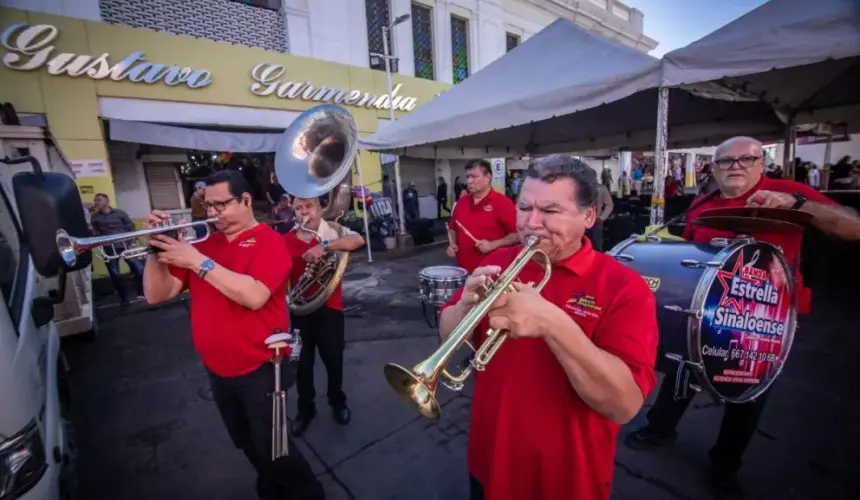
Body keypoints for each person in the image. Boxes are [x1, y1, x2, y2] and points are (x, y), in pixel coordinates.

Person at [626, 136, 860, 496]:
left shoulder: (787, 190)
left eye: (745, 159)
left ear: (761, 164)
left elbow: (853, 226)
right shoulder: (704, 202)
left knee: (748, 392)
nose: (735, 166)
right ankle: (660, 427)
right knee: (681, 370)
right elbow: (689, 251)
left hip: (760, 317)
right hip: (703, 309)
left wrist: (798, 204)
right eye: (725, 161)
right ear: (714, 169)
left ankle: (725, 464)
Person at [440, 154, 658, 500]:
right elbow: (448, 335)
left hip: (564, 479)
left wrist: (554, 324)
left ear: (588, 216)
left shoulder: (624, 287)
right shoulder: (497, 261)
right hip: (488, 459)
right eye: (524, 207)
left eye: (550, 211)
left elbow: (624, 405)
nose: (531, 223)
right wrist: (465, 304)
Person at [141, 170, 322, 500]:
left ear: (246, 201)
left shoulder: (270, 242)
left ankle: (308, 493)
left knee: (276, 448)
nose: (211, 213)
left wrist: (199, 262)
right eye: (207, 206)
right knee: (244, 440)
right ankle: (270, 484)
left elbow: (253, 296)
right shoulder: (202, 246)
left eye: (220, 205)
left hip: (262, 368)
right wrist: (155, 252)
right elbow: (157, 293)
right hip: (218, 369)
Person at [286, 196, 366, 437]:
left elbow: (358, 240)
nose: (304, 212)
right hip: (299, 311)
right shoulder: (286, 239)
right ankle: (305, 409)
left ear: (320, 209)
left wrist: (325, 246)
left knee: (333, 361)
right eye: (298, 208)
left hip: (329, 308)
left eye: (309, 206)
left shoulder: (332, 231)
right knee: (302, 364)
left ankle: (337, 401)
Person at [447, 159, 518, 273]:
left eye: (474, 177)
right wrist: (452, 244)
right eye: (468, 177)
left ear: (487, 177)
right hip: (463, 271)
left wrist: (493, 244)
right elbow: (453, 228)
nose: (469, 181)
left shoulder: (502, 203)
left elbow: (517, 234)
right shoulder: (462, 202)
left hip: (492, 272)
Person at [90, 193, 145, 306]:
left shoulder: (120, 213)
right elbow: (95, 233)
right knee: (115, 275)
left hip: (125, 246)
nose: (96, 202)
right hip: (109, 249)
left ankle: (142, 292)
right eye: (95, 200)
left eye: (99, 200)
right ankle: (124, 299)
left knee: (140, 269)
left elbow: (130, 227)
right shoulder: (95, 217)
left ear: (107, 201)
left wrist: (132, 241)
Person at [585, 182, 613, 251]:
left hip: (597, 221)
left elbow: (609, 205)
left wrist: (602, 218)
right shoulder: (580, 187)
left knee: (596, 245)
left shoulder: (602, 188)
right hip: (582, 221)